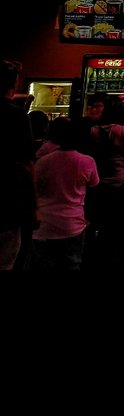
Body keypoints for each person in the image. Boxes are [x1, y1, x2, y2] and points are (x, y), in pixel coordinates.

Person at [83, 95, 124, 270]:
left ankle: (97, 258)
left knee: (98, 222)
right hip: (119, 184)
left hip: (97, 183)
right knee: (119, 226)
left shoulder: (94, 131)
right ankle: (117, 259)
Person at [29, 118, 99, 271]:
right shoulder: (87, 161)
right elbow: (94, 188)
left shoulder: (43, 161)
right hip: (73, 222)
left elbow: (34, 189)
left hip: (44, 223)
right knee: (71, 264)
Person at [0, 60, 35, 270]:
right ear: (13, 83)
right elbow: (27, 164)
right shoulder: (17, 116)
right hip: (8, 203)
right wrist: (34, 207)